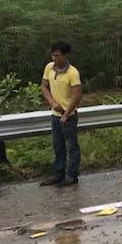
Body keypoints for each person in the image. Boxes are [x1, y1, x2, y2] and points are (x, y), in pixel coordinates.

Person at [39, 41, 83, 186]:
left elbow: (77, 96)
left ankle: (72, 176)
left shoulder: (73, 73)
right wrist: (52, 102)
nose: (54, 58)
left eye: (57, 55)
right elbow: (44, 87)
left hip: (69, 115)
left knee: (72, 147)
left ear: (65, 55)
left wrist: (66, 114)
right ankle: (58, 174)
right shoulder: (49, 68)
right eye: (52, 55)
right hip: (55, 113)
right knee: (58, 146)